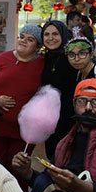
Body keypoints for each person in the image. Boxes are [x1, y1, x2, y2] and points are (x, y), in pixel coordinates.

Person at [0, 25, 44, 180]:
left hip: (25, 131)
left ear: (38, 46)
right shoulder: (2, 58)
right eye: (22, 37)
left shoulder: (42, 64)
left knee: (18, 169)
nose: (23, 41)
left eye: (30, 39)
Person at [40, 21, 78, 161]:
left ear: (63, 35)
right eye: (46, 34)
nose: (50, 38)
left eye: (55, 34)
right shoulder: (45, 58)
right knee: (52, 155)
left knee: (66, 157)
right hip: (50, 117)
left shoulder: (72, 58)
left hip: (69, 117)